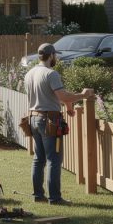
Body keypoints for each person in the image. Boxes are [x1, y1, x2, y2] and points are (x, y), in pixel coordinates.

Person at [24, 43, 92, 205]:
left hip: (33, 118)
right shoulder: (51, 73)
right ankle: (54, 198)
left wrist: (68, 107)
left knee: (38, 159)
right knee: (53, 159)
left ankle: (38, 195)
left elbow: (53, 95)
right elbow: (62, 96)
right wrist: (83, 95)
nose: (56, 58)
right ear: (51, 56)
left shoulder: (30, 73)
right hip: (49, 121)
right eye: (56, 55)